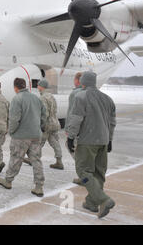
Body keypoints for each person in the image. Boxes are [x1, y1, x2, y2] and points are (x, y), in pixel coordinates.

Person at [66, 71, 116, 218]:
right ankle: (91, 203)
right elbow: (112, 122)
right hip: (104, 140)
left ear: (83, 82)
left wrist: (70, 137)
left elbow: (76, 119)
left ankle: (104, 200)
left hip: (88, 140)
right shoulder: (108, 99)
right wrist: (110, 140)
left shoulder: (81, 96)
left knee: (83, 171)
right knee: (99, 172)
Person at [0, 78, 46, 197]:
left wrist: (12, 132)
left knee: (16, 158)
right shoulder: (36, 98)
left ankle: (8, 181)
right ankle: (39, 186)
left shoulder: (17, 99)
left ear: (15, 88)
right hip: (36, 135)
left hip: (21, 136)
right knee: (36, 160)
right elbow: (44, 115)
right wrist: (40, 128)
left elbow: (14, 119)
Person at [37, 79, 63, 169]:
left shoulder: (42, 98)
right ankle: (59, 161)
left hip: (47, 124)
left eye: (38, 85)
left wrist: (42, 124)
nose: (37, 87)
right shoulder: (51, 96)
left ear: (41, 86)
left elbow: (45, 113)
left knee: (39, 142)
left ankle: (34, 159)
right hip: (55, 122)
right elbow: (55, 109)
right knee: (55, 142)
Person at [67, 72, 83, 185]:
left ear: (77, 81)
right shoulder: (90, 93)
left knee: (75, 151)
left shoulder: (75, 94)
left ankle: (84, 176)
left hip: (77, 130)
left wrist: (69, 130)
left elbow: (72, 113)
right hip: (88, 130)